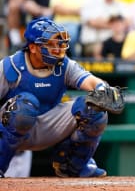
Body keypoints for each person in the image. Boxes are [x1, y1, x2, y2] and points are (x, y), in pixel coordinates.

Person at [0, 17, 113, 177]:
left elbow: (90, 81)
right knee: (24, 106)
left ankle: (73, 166)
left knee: (94, 109)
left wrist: (102, 88)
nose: (57, 49)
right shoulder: (10, 66)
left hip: (49, 126)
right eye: (50, 45)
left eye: (59, 44)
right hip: (12, 125)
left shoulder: (63, 65)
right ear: (33, 47)